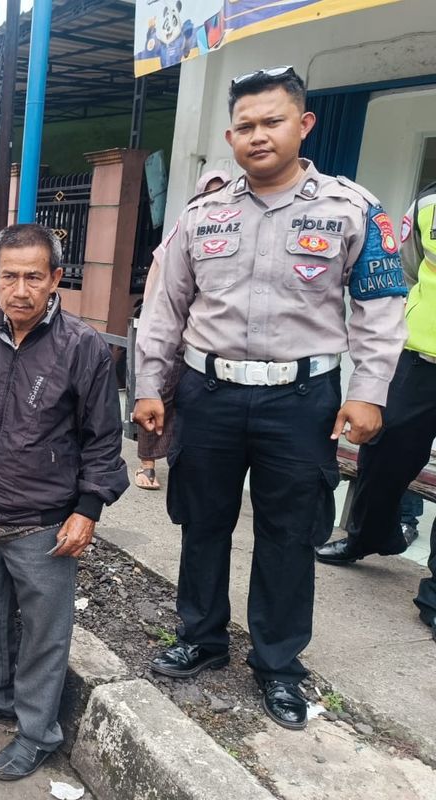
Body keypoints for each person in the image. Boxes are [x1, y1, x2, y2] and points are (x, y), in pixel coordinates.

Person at [133, 65, 408, 730]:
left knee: (289, 532)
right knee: (203, 521)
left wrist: (369, 392)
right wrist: (149, 386)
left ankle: (278, 664)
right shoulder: (201, 214)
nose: (258, 136)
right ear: (231, 136)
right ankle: (201, 637)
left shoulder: (351, 209)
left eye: (272, 122)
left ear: (303, 125)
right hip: (208, 393)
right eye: (246, 126)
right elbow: (165, 307)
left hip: (301, 399)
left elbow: (380, 308)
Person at [0, 224, 128, 781]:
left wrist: (88, 509)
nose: (20, 290)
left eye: (33, 277)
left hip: (45, 520)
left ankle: (37, 732)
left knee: (46, 634)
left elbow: (103, 436)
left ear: (55, 279)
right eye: (9, 276)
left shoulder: (83, 345)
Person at [314, 181, 436, 639]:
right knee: (382, 451)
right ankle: (368, 537)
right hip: (420, 355)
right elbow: (407, 268)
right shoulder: (428, 202)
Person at [135, 169, 230, 490]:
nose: (214, 200)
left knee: (193, 405)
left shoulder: (236, 233)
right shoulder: (184, 230)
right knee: (159, 393)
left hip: (206, 342)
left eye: (220, 192)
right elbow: (158, 280)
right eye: (208, 193)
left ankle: (184, 463)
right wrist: (151, 319)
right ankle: (147, 463)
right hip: (173, 336)